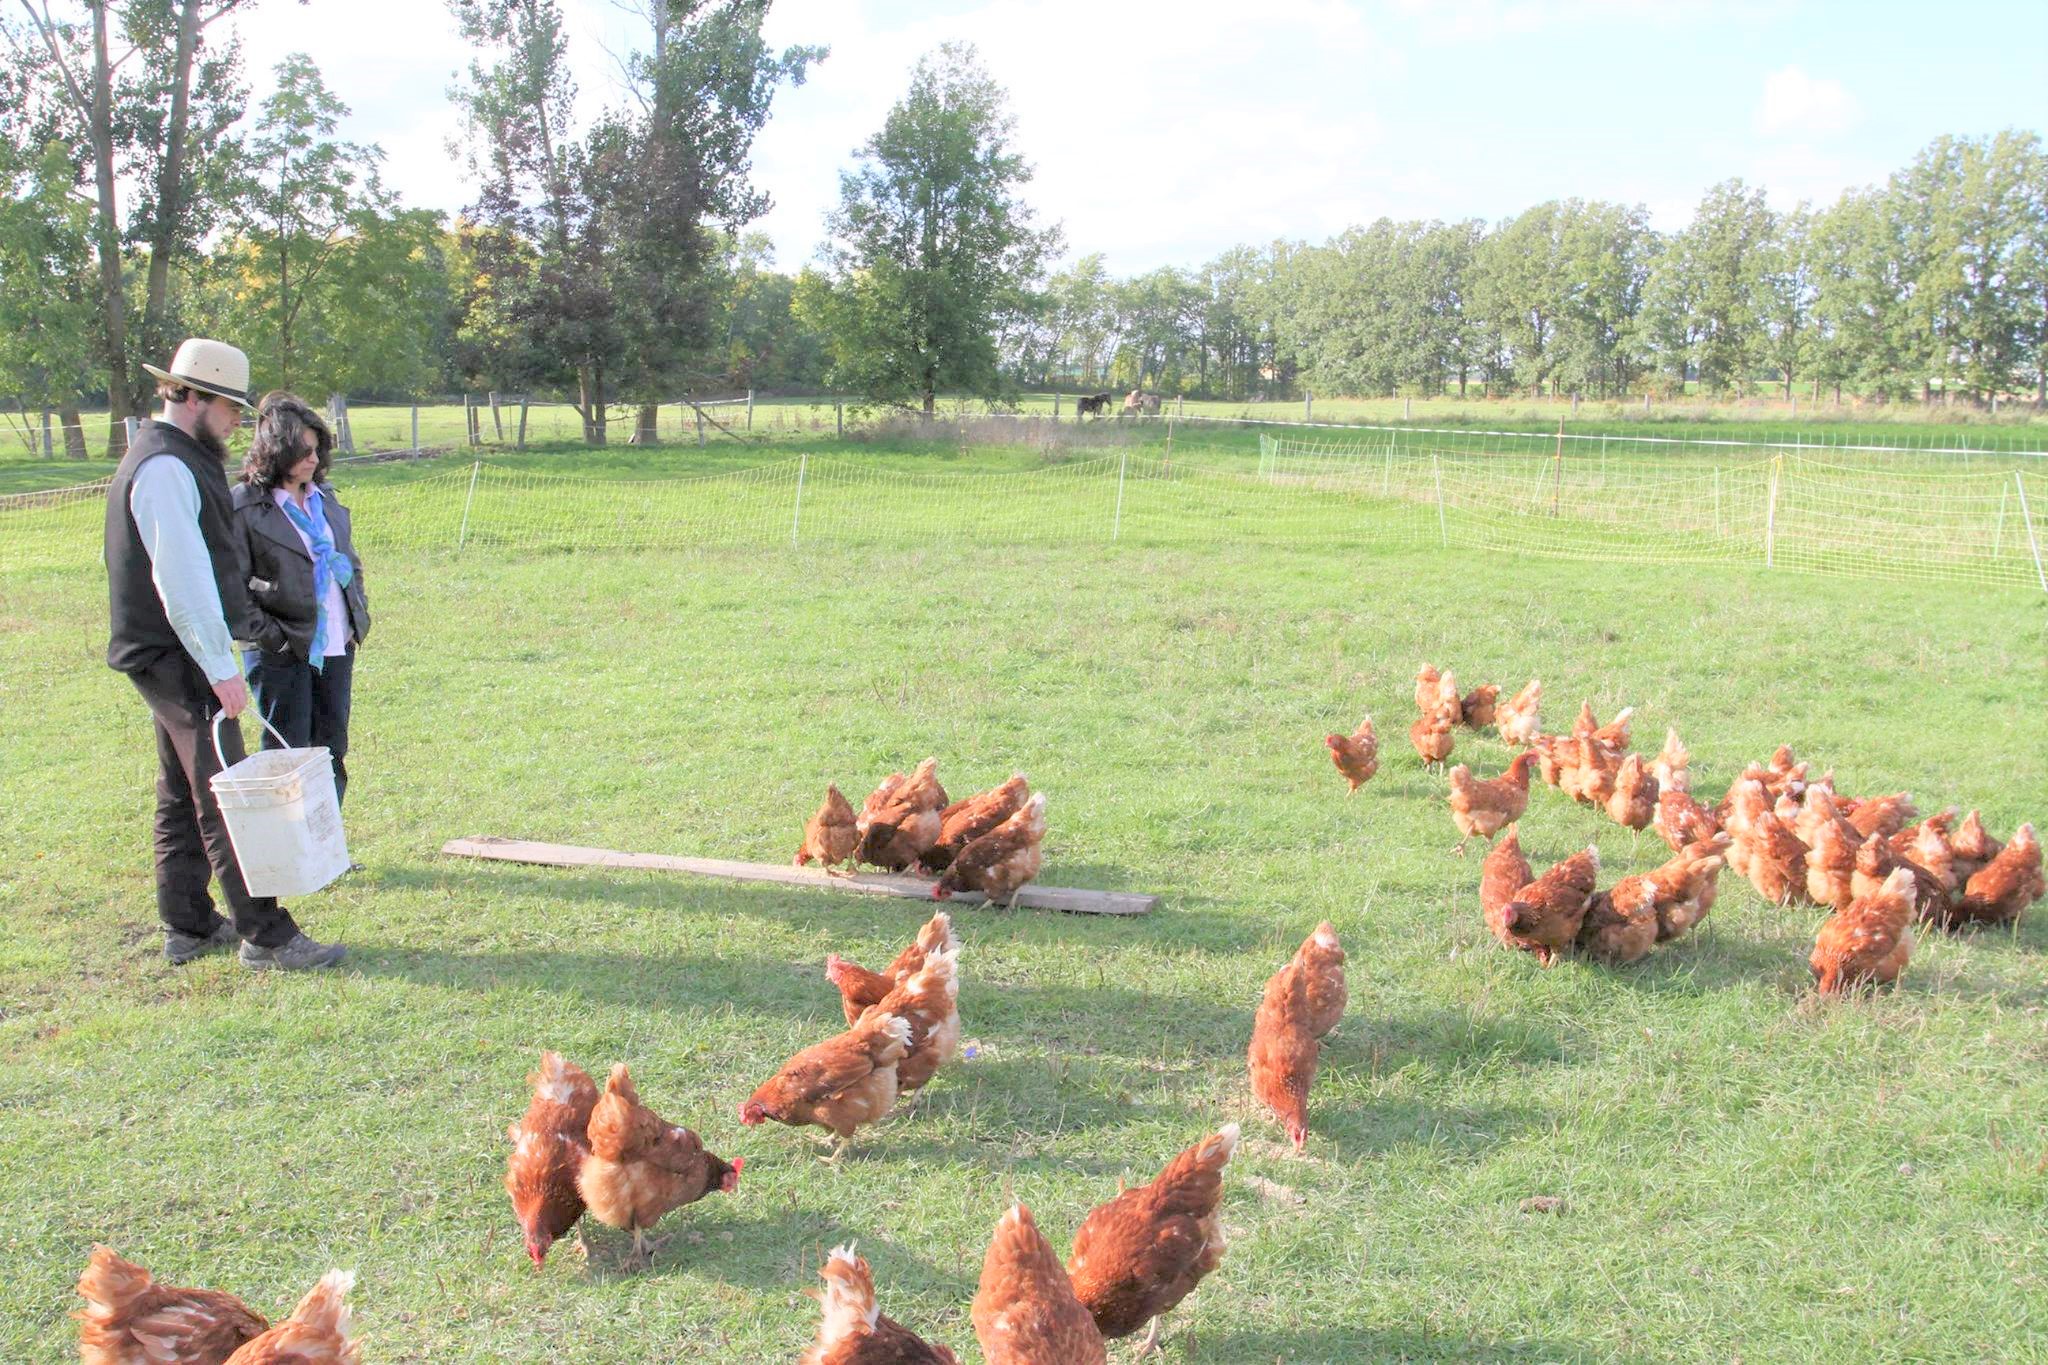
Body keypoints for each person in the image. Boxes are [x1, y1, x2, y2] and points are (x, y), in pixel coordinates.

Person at [104, 339, 347, 971]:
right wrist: (219, 667)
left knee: (181, 788)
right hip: (177, 652)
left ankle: (186, 923)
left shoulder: (177, 456)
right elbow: (179, 580)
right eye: (229, 407)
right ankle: (266, 934)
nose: (239, 420)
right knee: (223, 789)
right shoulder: (163, 466)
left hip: (168, 651)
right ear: (191, 397)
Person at [232, 393, 370, 813]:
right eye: (302, 450)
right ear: (277, 451)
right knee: (288, 751)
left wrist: (355, 611)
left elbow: (348, 558)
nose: (312, 459)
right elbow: (232, 592)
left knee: (331, 746)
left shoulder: (324, 498)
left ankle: (327, 848)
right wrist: (272, 638)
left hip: (333, 644)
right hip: (282, 650)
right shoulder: (243, 506)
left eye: (317, 449)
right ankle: (287, 852)